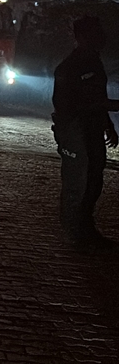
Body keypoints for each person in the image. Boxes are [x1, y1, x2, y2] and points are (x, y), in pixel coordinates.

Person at [52, 16, 119, 248]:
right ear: (81, 37)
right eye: (95, 33)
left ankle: (85, 228)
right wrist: (107, 107)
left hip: (90, 131)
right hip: (77, 133)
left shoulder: (93, 62)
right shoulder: (71, 67)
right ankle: (76, 232)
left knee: (94, 180)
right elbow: (69, 105)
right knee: (79, 182)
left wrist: (107, 125)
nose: (101, 38)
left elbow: (96, 96)